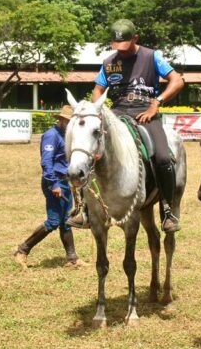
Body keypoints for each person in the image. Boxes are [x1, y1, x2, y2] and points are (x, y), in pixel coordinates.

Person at [69, 19, 185, 232]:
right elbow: (98, 89)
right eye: (116, 46)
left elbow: (177, 80)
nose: (120, 51)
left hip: (146, 113)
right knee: (92, 152)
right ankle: (84, 209)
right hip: (117, 112)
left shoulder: (152, 56)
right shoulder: (109, 62)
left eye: (125, 46)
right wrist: (98, 109)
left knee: (162, 156)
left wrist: (156, 104)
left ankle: (168, 210)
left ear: (135, 38)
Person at [13, 105, 88, 269]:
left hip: (65, 181)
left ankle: (72, 258)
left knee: (66, 221)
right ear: (60, 120)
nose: (70, 124)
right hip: (54, 182)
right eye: (67, 121)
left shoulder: (67, 136)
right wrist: (54, 184)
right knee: (54, 221)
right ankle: (22, 250)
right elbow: (46, 162)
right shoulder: (51, 136)